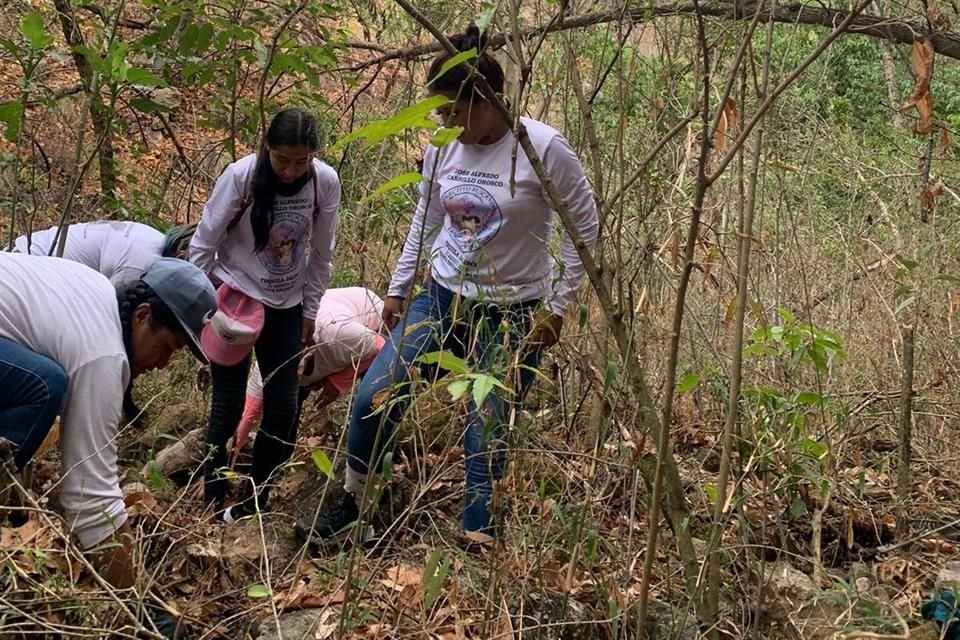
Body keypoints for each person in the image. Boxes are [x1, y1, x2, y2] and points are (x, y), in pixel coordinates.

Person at [298, 25, 599, 545]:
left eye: (451, 111)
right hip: (441, 298)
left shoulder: (540, 147)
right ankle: (356, 508)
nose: (443, 122)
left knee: (487, 428)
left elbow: (583, 227)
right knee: (375, 396)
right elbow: (426, 218)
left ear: (484, 100)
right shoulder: (443, 148)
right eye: (438, 113)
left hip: (514, 313)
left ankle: (477, 543)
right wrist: (397, 288)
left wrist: (557, 306)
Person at [0, 252, 216, 637]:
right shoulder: (102, 352)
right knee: (42, 386)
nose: (165, 364)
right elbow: (90, 497)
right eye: (168, 346)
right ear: (142, 315)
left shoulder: (97, 291)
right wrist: (143, 611)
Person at [189, 107, 340, 522]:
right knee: (228, 403)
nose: (291, 171)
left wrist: (310, 309)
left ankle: (256, 498)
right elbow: (204, 243)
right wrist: (197, 306)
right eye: (282, 160)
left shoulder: (324, 182)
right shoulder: (240, 177)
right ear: (267, 148)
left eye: (302, 161)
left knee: (282, 407)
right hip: (233, 300)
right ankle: (213, 494)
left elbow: (322, 254)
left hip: (286, 308)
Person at [232, 287, 385, 464]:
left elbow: (380, 347)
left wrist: (338, 382)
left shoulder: (338, 334)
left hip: (371, 324)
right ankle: (276, 467)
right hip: (327, 350)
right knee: (286, 413)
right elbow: (248, 415)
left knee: (368, 395)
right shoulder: (267, 370)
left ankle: (362, 449)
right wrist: (224, 463)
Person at [11, 220, 198, 286]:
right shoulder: (142, 263)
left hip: (24, 253)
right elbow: (109, 316)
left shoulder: (149, 236)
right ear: (181, 258)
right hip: (27, 270)